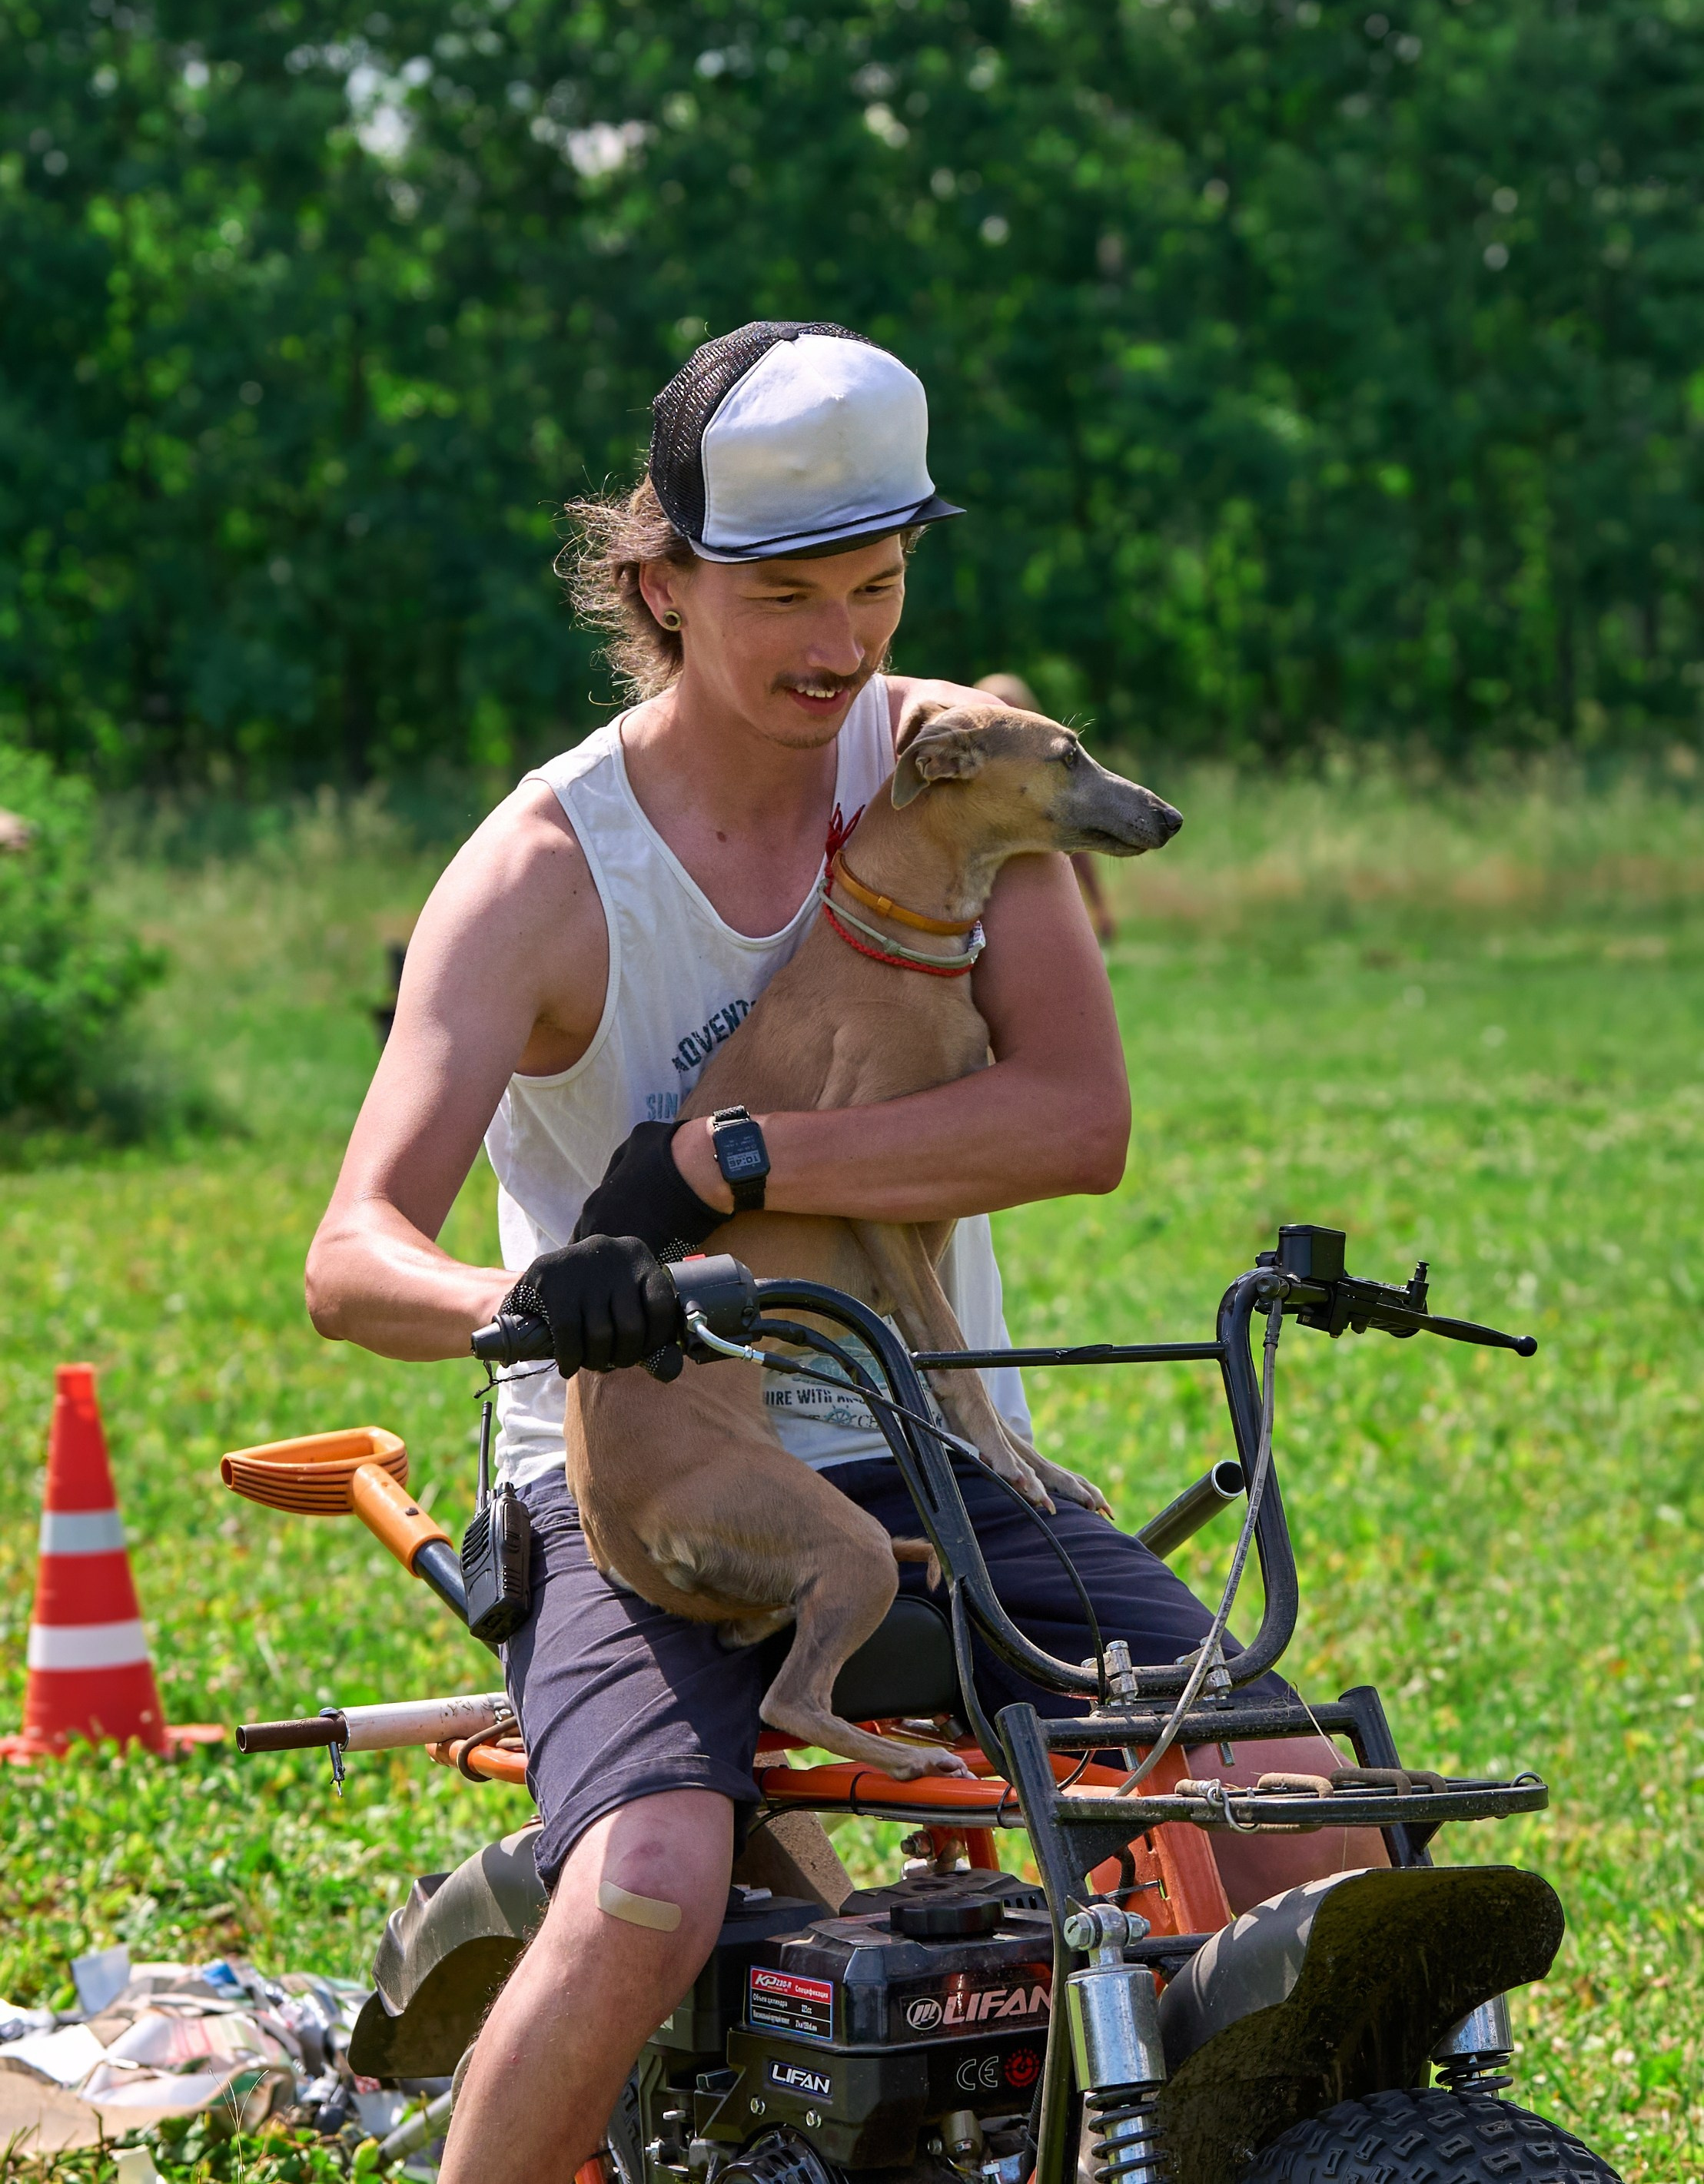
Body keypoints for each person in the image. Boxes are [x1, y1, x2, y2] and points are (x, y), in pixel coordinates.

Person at [305, 321, 1380, 2184]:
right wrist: (536, 1296)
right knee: (651, 1876)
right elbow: (348, 1254)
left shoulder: (955, 773)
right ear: (659, 585)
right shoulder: (547, 872)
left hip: (938, 1445)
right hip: (632, 1474)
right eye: (782, 594)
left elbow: (1074, 1123)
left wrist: (729, 1160)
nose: (840, 644)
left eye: (876, 584)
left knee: (1302, 1804)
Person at [974, 672, 1118, 943]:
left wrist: (1100, 907)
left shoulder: (1056, 772)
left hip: (1037, 903)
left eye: (1015, 708)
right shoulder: (963, 780)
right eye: (998, 709)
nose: (1010, 716)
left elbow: (1079, 851)